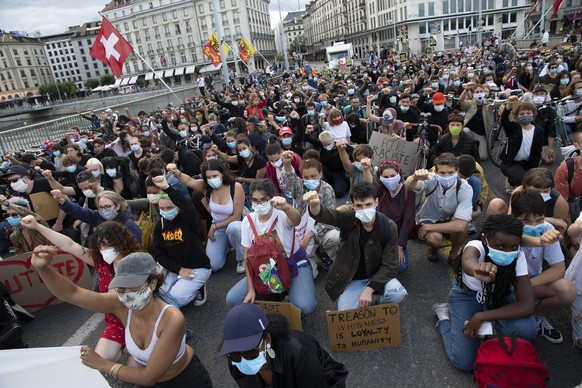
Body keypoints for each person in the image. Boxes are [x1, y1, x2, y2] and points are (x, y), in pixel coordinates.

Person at [29, 249, 212, 387]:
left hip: (185, 381)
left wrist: (102, 364)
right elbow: (72, 293)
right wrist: (43, 268)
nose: (126, 294)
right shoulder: (120, 303)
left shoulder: (172, 319)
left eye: (133, 287)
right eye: (121, 288)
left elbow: (149, 377)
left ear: (153, 282)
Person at [20, 215, 143, 363]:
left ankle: (132, 350)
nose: (103, 249)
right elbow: (69, 245)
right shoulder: (103, 263)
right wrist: (38, 226)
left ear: (122, 242)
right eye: (100, 245)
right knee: (100, 360)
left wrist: (134, 340)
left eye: (108, 244)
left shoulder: (139, 263)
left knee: (136, 371)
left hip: (140, 322)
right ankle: (118, 350)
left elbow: (73, 293)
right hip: (115, 322)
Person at [433, 214, 537, 372]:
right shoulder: (476, 246)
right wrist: (476, 270)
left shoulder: (518, 256)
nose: (508, 252)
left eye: (513, 247)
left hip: (498, 297)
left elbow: (527, 305)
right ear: (485, 239)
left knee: (528, 330)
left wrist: (481, 317)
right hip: (468, 297)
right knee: (464, 362)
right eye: (500, 247)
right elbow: (468, 260)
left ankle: (487, 328)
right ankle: (444, 318)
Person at [307, 182, 407, 310]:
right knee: (345, 312)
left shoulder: (389, 226)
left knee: (397, 293)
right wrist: (315, 207)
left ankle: (379, 307)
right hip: (354, 278)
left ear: (376, 202)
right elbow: (332, 216)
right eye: (359, 205)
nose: (364, 209)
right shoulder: (349, 218)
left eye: (368, 204)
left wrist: (370, 289)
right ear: (352, 205)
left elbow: (390, 265)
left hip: (377, 274)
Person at [225, 179, 317, 315]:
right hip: (265, 269)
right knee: (233, 299)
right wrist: (251, 289)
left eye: (263, 200)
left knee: (305, 306)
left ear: (271, 199)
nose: (259, 204)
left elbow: (296, 220)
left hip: (293, 265)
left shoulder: (281, 214)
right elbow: (247, 258)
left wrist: (286, 207)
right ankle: (276, 293)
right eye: (255, 200)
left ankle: (285, 291)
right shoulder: (248, 220)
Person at [220, 303, 348, 387]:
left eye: (250, 352)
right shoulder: (235, 359)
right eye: (234, 354)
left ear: (267, 339)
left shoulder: (298, 352)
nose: (242, 360)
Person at [511, 190, 577, 343]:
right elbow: (519, 240)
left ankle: (537, 315)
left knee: (567, 290)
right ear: (514, 217)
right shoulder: (505, 228)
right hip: (506, 283)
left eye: (539, 219)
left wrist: (529, 285)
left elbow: (558, 269)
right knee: (522, 331)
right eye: (526, 222)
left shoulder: (547, 229)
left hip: (530, 282)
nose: (534, 226)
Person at [166, 160, 246, 274]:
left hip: (235, 223)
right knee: (213, 265)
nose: (212, 179)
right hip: (218, 224)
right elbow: (189, 181)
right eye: (208, 177)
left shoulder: (235, 186)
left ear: (222, 173)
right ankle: (227, 246)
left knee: (234, 228)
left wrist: (215, 227)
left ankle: (242, 258)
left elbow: (236, 216)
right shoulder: (206, 186)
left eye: (215, 176)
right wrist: (176, 172)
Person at [151, 175, 211, 308]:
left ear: (178, 207)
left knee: (174, 299)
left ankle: (199, 286)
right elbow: (160, 255)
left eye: (170, 208)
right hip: (176, 269)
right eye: (162, 209)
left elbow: (186, 205)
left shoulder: (188, 218)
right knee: (158, 295)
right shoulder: (160, 225)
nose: (166, 212)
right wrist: (179, 269)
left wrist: (167, 188)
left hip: (198, 266)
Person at [405, 153, 472, 264]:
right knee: (434, 239)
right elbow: (409, 185)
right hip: (430, 217)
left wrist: (428, 227)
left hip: (450, 220)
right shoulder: (432, 179)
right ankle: (434, 248)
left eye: (450, 172)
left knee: (463, 229)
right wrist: (414, 177)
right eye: (442, 173)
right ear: (436, 172)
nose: (446, 176)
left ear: (457, 171)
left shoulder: (465, 188)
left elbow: (460, 225)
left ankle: (453, 253)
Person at [54, 189, 142, 242]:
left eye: (107, 207)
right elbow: (80, 212)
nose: (104, 211)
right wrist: (62, 200)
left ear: (117, 206)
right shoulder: (99, 216)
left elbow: (136, 249)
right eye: (101, 207)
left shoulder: (130, 226)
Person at [375, 160, 416, 273]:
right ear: (381, 178)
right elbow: (369, 188)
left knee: (401, 266)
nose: (389, 180)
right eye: (386, 177)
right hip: (381, 234)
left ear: (399, 174)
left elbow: (408, 221)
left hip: (397, 237)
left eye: (393, 176)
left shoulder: (409, 192)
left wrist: (400, 246)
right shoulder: (381, 190)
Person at [499, 98, 545, 190]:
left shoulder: (539, 131)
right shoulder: (513, 128)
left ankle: (513, 181)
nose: (525, 116)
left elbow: (537, 152)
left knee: (536, 181)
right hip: (511, 163)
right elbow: (504, 120)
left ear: (533, 114)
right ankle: (513, 181)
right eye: (522, 114)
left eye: (528, 113)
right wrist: (508, 108)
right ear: (517, 116)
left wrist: (533, 170)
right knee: (525, 181)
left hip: (527, 164)